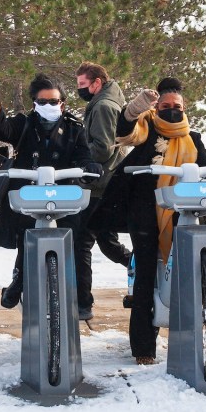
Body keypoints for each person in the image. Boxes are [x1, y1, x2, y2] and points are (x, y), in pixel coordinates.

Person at [93, 78, 206, 364]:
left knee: (199, 260)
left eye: (177, 107)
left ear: (185, 109)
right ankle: (143, 347)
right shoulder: (147, 127)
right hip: (144, 209)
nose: (172, 110)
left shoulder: (192, 138)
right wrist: (132, 110)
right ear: (156, 106)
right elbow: (125, 131)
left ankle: (202, 319)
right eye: (165, 106)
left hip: (182, 208)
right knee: (147, 271)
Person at [0, 72, 96, 309]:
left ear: (63, 103)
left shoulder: (73, 128)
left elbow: (83, 155)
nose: (48, 106)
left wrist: (87, 166)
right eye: (42, 102)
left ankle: (81, 299)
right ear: (34, 104)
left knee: (76, 241)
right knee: (27, 236)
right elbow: (2, 130)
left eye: (53, 102)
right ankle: (18, 281)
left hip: (62, 197)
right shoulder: (24, 123)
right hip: (27, 196)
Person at [74, 62, 132, 320]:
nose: (80, 90)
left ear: (97, 83)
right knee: (105, 241)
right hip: (104, 183)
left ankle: (83, 304)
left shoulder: (104, 106)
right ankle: (139, 265)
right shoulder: (105, 102)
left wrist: (78, 153)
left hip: (99, 184)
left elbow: (102, 149)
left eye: (83, 85)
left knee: (82, 243)